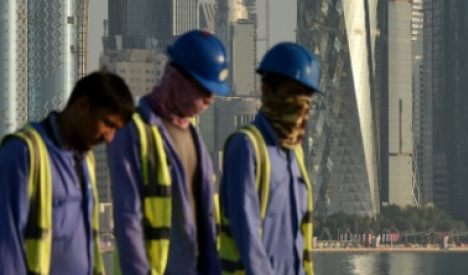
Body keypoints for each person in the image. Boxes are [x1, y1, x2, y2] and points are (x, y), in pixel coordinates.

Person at [0, 71, 135, 275]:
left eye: (116, 130)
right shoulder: (22, 154)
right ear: (82, 106)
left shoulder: (85, 160)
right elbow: (8, 250)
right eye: (108, 124)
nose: (110, 137)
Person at [109, 30, 229, 274]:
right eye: (203, 89)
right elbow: (128, 220)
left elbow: (204, 218)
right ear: (179, 79)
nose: (209, 99)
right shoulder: (133, 131)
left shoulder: (193, 135)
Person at [219, 42, 320, 275]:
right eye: (294, 92)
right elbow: (248, 236)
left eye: (307, 95)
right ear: (266, 90)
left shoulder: (295, 152)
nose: (302, 103)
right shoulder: (246, 147)